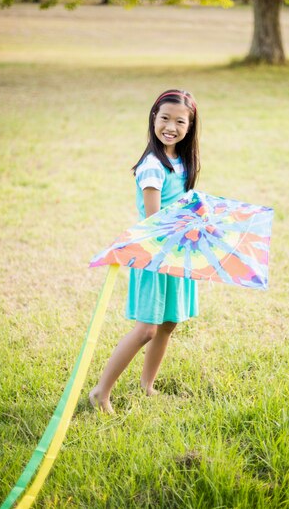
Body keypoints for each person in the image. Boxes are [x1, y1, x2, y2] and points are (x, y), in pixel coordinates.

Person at [90, 89, 200, 412]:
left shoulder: (182, 161)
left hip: (176, 254)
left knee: (169, 324)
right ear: (153, 119)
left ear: (190, 126)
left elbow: (181, 205)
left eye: (180, 121)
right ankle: (101, 391)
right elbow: (155, 221)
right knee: (146, 330)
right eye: (164, 118)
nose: (171, 126)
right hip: (154, 255)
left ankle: (147, 385)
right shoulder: (153, 166)